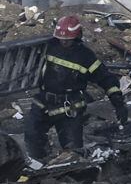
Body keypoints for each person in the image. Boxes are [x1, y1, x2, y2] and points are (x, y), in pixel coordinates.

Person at [28, 16, 114, 160]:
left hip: (69, 108)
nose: (64, 42)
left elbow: (104, 77)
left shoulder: (85, 56)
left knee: (74, 152)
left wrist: (117, 99)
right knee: (32, 138)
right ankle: (39, 166)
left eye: (68, 39)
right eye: (61, 39)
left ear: (77, 36)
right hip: (44, 102)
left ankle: (74, 170)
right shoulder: (48, 47)